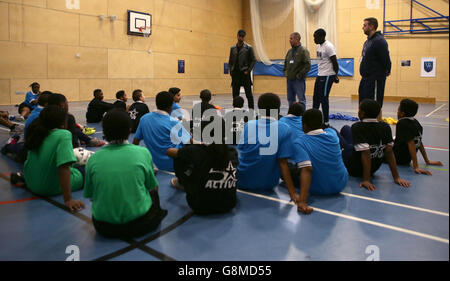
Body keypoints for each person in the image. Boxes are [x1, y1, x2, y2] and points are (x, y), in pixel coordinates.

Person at [84, 110, 167, 239]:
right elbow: (152, 187)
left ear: (104, 132)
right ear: (129, 130)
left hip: (103, 226)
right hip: (140, 223)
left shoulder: (93, 159)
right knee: (153, 191)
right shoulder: (143, 152)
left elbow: (91, 195)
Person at [237, 93, 300, 206]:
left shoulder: (248, 125)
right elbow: (283, 163)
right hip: (268, 183)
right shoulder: (284, 128)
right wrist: (293, 193)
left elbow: (241, 149)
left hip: (243, 180)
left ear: (259, 109)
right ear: (278, 109)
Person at [23, 105, 85, 212]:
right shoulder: (63, 134)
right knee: (90, 169)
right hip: (48, 187)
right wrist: (68, 199)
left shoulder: (37, 131)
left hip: (31, 183)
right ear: (62, 122)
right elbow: (63, 168)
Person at [166, 123, 238, 215]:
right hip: (229, 204)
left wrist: (194, 144)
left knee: (179, 158)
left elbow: (169, 152)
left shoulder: (196, 151)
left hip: (200, 206)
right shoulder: (232, 152)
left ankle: (182, 183)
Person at [339, 99, 410, 191]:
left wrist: (366, 180)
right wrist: (396, 177)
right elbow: (389, 152)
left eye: (359, 110)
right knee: (346, 128)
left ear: (362, 113)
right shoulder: (385, 127)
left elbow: (366, 152)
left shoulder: (357, 126)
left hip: (355, 169)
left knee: (336, 133)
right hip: (373, 168)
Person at [290, 109, 349, 214]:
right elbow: (329, 128)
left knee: (286, 165)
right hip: (341, 184)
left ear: (304, 125)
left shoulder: (299, 142)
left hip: (318, 187)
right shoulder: (333, 134)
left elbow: (307, 169)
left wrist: (302, 201)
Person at [133, 91, 192, 172]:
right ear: (171, 105)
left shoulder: (144, 119)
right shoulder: (173, 122)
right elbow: (190, 142)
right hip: (176, 164)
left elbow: (135, 141)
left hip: (157, 164)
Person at [394, 99, 443, 174]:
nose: (397, 112)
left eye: (398, 110)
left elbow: (411, 144)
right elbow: (419, 142)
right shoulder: (416, 122)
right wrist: (427, 160)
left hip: (398, 158)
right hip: (406, 159)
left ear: (402, 113)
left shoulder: (401, 123)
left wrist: (415, 166)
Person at [359, 17, 391, 107]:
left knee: (375, 105)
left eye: (365, 25)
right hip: (365, 78)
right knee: (364, 103)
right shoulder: (367, 42)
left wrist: (387, 70)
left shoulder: (379, 41)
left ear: (372, 26)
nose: (363, 27)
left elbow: (385, 57)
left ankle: (376, 121)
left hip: (375, 79)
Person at [312, 28, 339, 126]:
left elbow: (335, 62)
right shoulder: (319, 46)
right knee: (316, 98)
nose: (314, 39)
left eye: (315, 37)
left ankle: (326, 122)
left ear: (322, 37)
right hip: (320, 75)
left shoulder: (329, 47)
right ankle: (314, 119)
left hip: (328, 75)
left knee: (324, 98)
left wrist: (335, 75)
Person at [228, 29, 256, 109]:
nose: (241, 38)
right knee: (235, 94)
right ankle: (236, 110)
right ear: (237, 36)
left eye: (242, 37)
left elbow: (253, 60)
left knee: (248, 94)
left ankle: (251, 110)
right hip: (235, 74)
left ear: (244, 37)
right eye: (239, 36)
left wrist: (248, 70)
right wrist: (231, 70)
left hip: (244, 74)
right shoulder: (232, 48)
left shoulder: (249, 48)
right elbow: (230, 60)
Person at [283, 32, 311, 110]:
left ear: (297, 39)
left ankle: (302, 117)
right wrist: (286, 73)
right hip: (289, 79)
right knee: (290, 99)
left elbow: (308, 65)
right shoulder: (289, 51)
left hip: (298, 80)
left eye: (291, 38)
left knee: (301, 99)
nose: (290, 40)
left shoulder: (303, 50)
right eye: (290, 38)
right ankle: (292, 115)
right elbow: (285, 64)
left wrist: (300, 74)